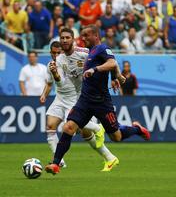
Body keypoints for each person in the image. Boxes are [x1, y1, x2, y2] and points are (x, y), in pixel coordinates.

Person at [45, 25, 150, 175]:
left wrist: (109, 74)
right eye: (82, 36)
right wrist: (115, 77)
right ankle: (55, 164)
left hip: (102, 102)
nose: (83, 39)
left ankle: (137, 129)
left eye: (86, 36)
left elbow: (112, 63)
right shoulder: (68, 57)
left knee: (116, 136)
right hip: (85, 100)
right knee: (68, 127)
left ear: (95, 35)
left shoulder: (100, 48)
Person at [40, 40, 119, 171]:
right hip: (60, 98)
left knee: (82, 132)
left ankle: (107, 152)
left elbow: (107, 59)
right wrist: (44, 95)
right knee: (50, 125)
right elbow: (49, 83)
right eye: (53, 53)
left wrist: (115, 76)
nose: (56, 55)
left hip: (75, 97)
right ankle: (59, 162)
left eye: (58, 52)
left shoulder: (81, 54)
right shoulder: (51, 65)